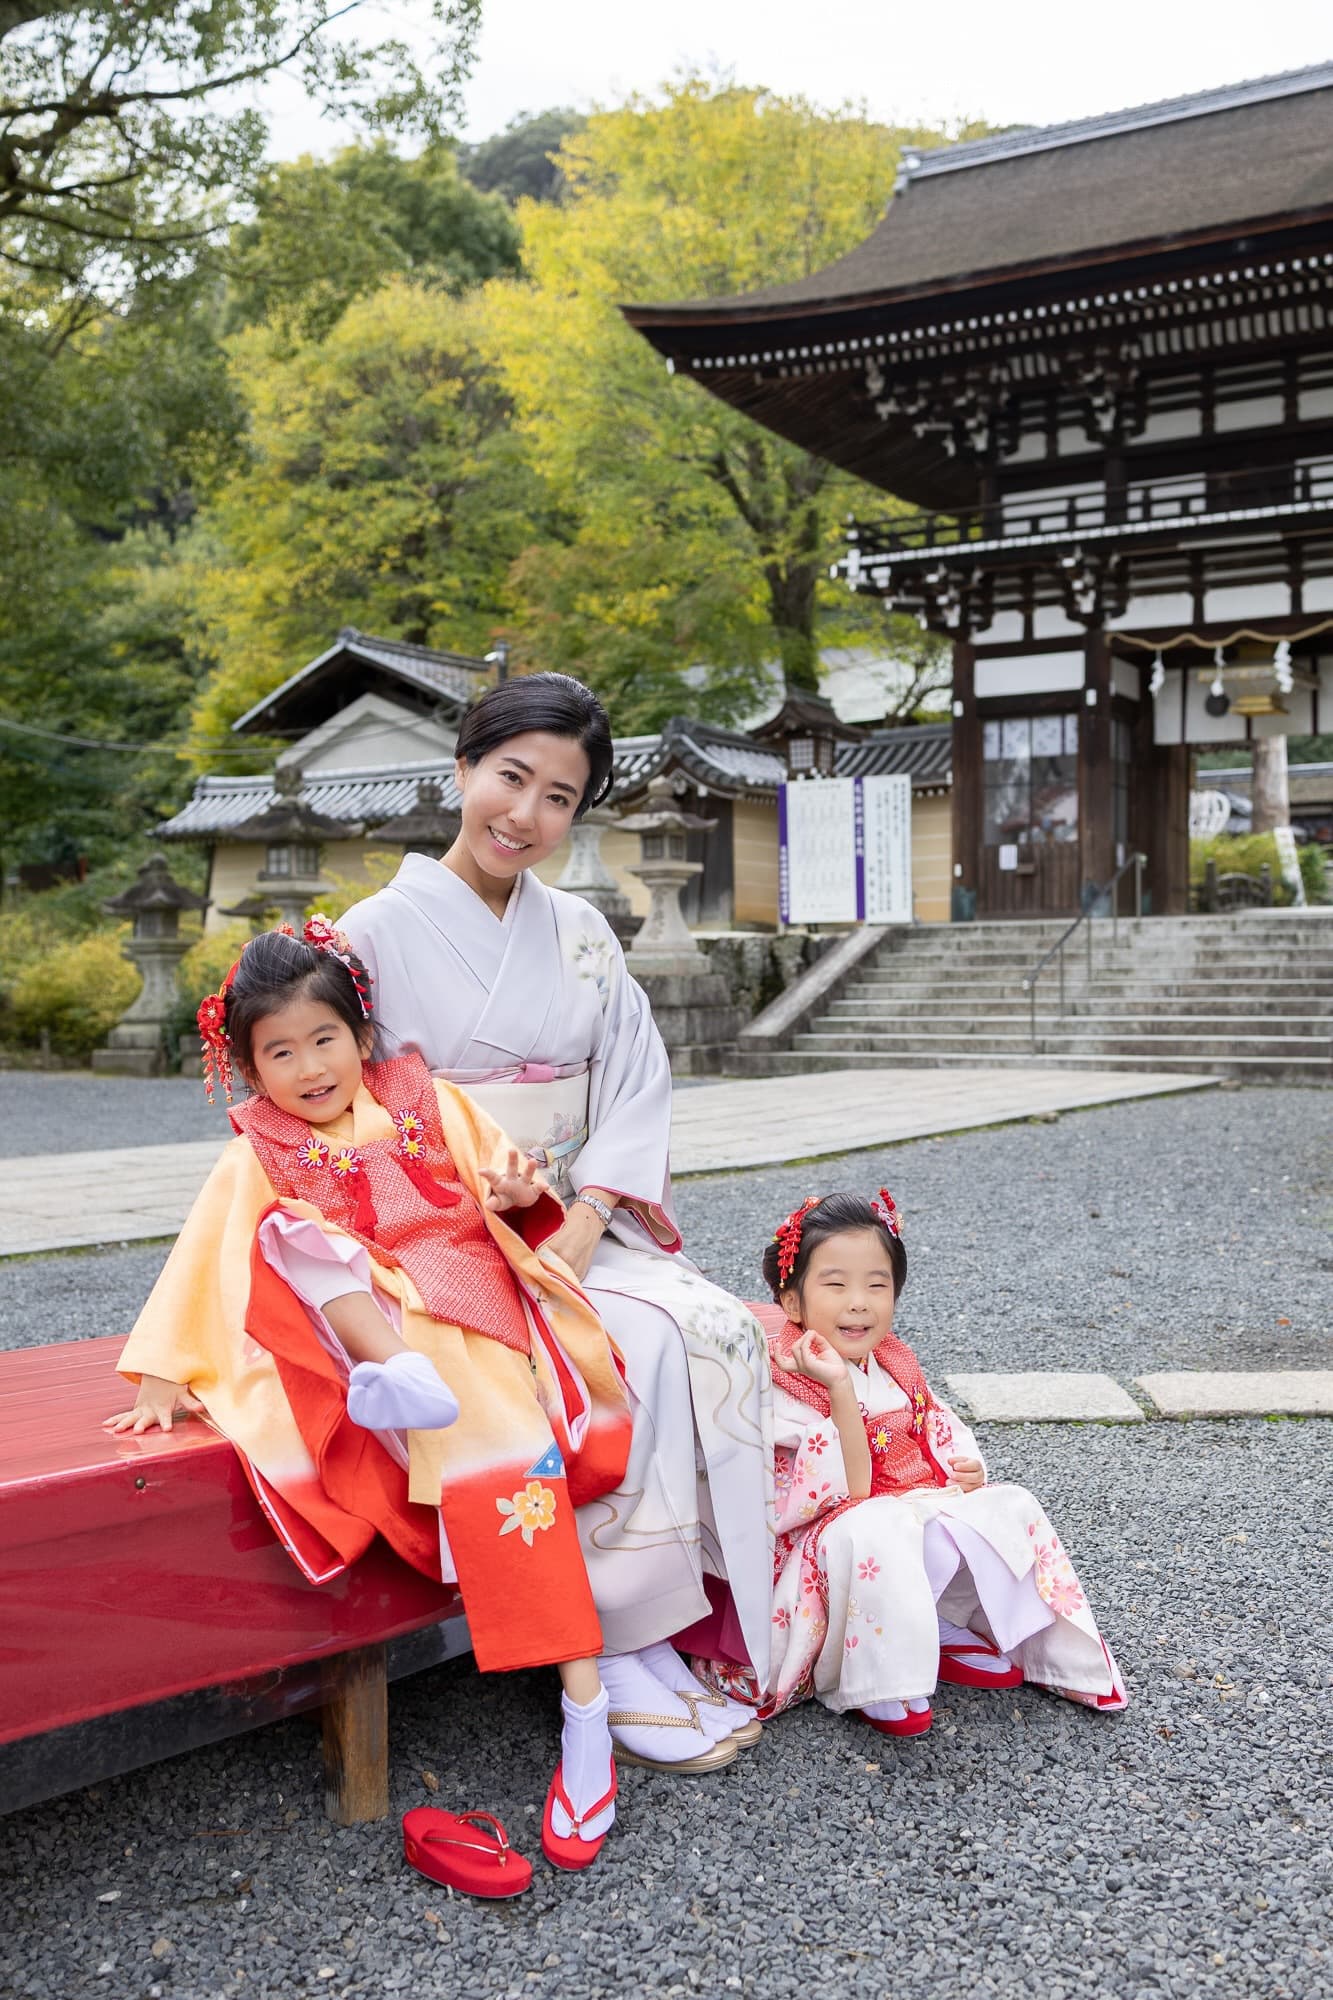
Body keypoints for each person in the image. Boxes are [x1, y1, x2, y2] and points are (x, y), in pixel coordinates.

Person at [105, 919, 663, 1872]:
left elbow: (508, 1195)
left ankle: (584, 1709)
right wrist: (165, 1369)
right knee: (288, 1235)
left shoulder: (426, 1099)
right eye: (278, 1052)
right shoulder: (257, 1150)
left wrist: (514, 1182)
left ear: (361, 1038)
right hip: (362, 1337)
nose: (308, 1067)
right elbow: (207, 1259)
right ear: (248, 1069)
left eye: (324, 1039)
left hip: (460, 1303)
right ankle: (391, 1382)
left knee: (506, 1460)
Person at [338, 672, 773, 1759]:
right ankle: (612, 1637)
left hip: (577, 1215)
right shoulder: (371, 933)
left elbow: (635, 1075)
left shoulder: (580, 929)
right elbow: (338, 1103)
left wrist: (585, 1214)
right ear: (462, 771)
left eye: (560, 798)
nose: (524, 814)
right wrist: (469, 1196)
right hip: (437, 1230)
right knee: (614, 1348)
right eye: (510, 777)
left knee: (707, 1327)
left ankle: (689, 1613)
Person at [702, 1189, 1127, 1733]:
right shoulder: (784, 1378)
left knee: (1010, 1505)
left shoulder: (893, 1359)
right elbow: (849, 1491)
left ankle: (1020, 1649)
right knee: (879, 1523)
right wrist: (835, 1386)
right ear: (791, 1301)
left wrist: (962, 1466)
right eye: (835, 1284)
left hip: (905, 1506)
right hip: (828, 1540)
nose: (859, 1302)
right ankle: (879, 1675)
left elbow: (935, 1425)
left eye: (877, 1285)